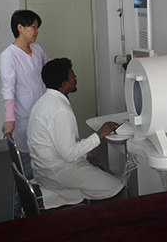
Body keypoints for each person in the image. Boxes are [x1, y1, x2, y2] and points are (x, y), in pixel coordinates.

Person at [27, 58, 124, 210]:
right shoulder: (59, 110)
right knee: (116, 187)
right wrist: (99, 134)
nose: (75, 78)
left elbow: (60, 145)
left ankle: (73, 195)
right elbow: (70, 154)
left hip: (45, 169)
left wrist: (85, 155)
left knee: (99, 176)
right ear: (64, 84)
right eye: (72, 76)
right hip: (57, 172)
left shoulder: (44, 101)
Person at [0, 10, 49, 178]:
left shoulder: (37, 49)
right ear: (20, 28)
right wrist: (9, 119)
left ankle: (45, 191)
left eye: (37, 27)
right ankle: (25, 194)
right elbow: (8, 88)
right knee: (27, 165)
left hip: (43, 111)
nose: (36, 31)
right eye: (33, 27)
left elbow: (49, 69)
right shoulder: (8, 55)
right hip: (25, 116)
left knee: (45, 158)